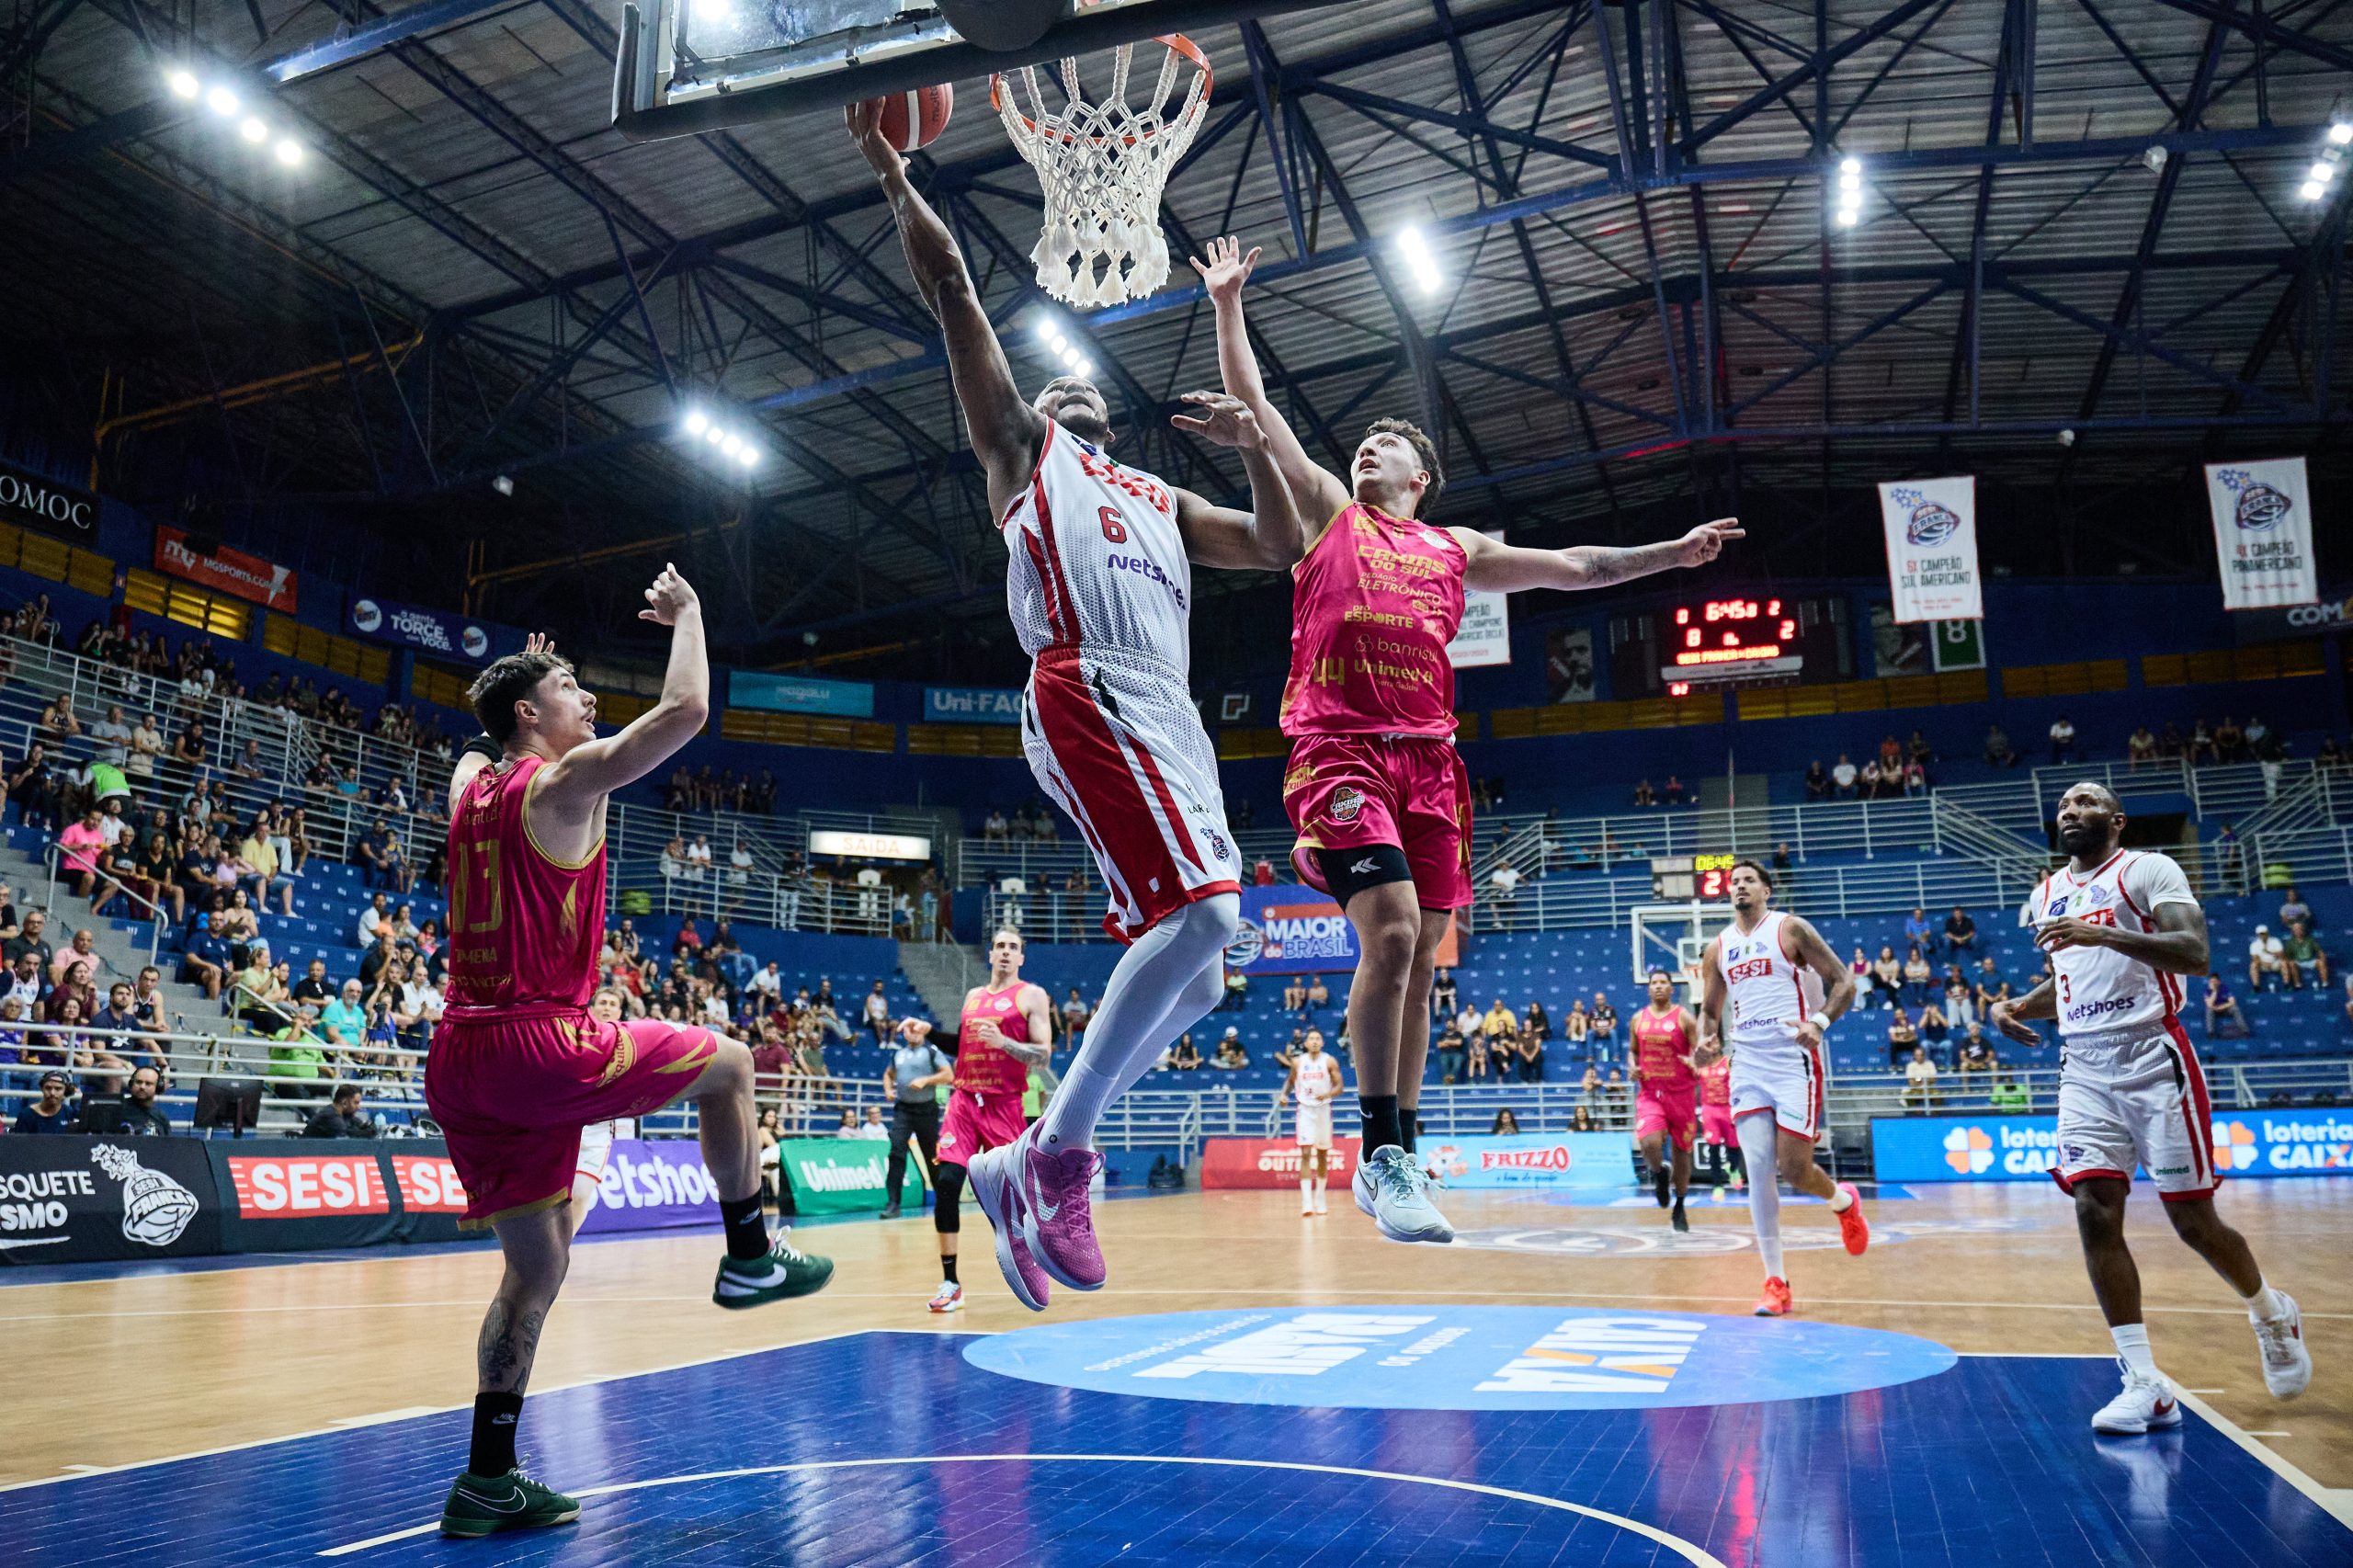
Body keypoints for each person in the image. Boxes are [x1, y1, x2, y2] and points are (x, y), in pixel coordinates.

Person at [1192, 231, 1738, 1246]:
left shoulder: (1456, 546)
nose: (1366, 450)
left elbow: (1578, 566)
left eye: (1385, 444)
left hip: (1431, 765)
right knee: (1394, 931)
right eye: (1360, 443)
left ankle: (1397, 1153)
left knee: (1419, 962)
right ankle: (1378, 1149)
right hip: (1340, 749)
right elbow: (1258, 410)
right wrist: (1229, 306)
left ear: (1424, 474)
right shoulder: (1329, 514)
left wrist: (1674, 552)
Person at [854, 106, 1279, 1312]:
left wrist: (1254, 439)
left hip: (1172, 715)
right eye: (1055, 385)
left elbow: (1279, 540)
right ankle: (1058, 1154)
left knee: (1207, 972)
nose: (1069, 386)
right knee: (1207, 914)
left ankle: (1025, 1159)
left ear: (1117, 419)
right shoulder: (1023, 451)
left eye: (1086, 385)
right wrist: (892, 172)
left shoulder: (1157, 496)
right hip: (1086, 678)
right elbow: (951, 288)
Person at [422, 600, 832, 1542]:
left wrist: (522, 677)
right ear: (530, 715)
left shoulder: (469, 784)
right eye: (570, 687)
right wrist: (690, 615)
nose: (589, 697)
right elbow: (685, 710)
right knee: (732, 1063)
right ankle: (749, 1256)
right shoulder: (561, 783)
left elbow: (476, 748)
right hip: (537, 1041)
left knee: (535, 1267)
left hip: (460, 1054)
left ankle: (487, 1478)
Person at [1988, 782, 2312, 1434]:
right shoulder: (2047, 893)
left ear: (2117, 820)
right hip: (2083, 1063)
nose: (2070, 811)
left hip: (2152, 1054)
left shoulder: (2147, 870)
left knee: (2193, 1222)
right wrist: (2019, 1005)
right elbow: (2072, 981)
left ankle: (2270, 1311)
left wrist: (2101, 933)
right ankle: (2145, 1383)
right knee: (2093, 1208)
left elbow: (2195, 953)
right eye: (2064, 805)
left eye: (2086, 803)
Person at [1697, 859, 1869, 1318]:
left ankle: (1843, 1202)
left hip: (1794, 1059)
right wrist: (1706, 1039)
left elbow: (1844, 980)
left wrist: (1820, 1022)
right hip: (1748, 1063)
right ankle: (1776, 1282)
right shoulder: (1718, 948)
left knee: (1795, 1170)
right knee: (1757, 1167)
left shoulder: (1790, 929)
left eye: (1749, 880)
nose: (1739, 887)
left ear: (1766, 890)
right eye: (1734, 882)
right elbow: (1710, 1011)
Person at [928, 929, 1052, 1313]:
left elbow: (1043, 1055)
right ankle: (951, 1283)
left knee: (1010, 1196)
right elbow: (962, 1045)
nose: (1006, 952)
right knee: (946, 1183)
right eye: (1000, 946)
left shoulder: (1032, 995)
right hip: (965, 1101)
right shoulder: (973, 997)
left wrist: (1004, 1043)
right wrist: (928, 1032)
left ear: (1021, 958)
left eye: (1013, 947)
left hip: (1004, 1104)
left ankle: (1030, 1258)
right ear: (990, 954)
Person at [1629, 970, 1699, 1232]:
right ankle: (1659, 1173)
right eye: (1654, 983)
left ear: (1671, 988)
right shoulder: (1638, 1019)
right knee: (1648, 1142)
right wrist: (1632, 1066)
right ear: (1648, 989)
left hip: (1681, 1095)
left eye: (1663, 982)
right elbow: (1632, 1052)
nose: (1658, 986)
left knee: (1682, 1153)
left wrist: (1695, 1061)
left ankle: (1680, 1205)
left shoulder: (1684, 1018)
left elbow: (1700, 1050)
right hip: (1651, 1094)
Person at [881, 1017, 953, 1221]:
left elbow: (948, 1075)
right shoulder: (899, 1055)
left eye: (915, 1030)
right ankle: (893, 1203)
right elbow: (888, 1074)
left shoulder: (931, 1052)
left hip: (926, 1110)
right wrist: (888, 1089)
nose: (912, 1033)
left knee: (931, 1155)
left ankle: (942, 1200)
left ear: (922, 1032)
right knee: (896, 1152)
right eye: (908, 1030)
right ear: (904, 1033)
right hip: (903, 1110)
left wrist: (926, 1080)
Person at [1286, 1027, 1343, 1216]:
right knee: (1305, 1153)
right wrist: (1284, 1095)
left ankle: (1320, 1198)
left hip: (1323, 1110)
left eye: (1318, 1038)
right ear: (1306, 1043)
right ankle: (1306, 1202)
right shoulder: (1298, 1062)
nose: (1315, 1041)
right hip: (1305, 1110)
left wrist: (1327, 1094)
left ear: (1323, 1042)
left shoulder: (1329, 1061)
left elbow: (1339, 1086)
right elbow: (1290, 1081)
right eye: (1311, 1038)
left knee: (1322, 1155)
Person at [1696, 1051, 1742, 1190]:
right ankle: (1717, 1185)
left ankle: (1733, 1169)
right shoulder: (1700, 1064)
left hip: (1727, 1108)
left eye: (1715, 1042)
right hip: (1709, 1110)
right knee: (1713, 1146)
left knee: (1734, 1145)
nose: (1712, 1046)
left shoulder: (1727, 1062)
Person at [303, 1084, 378, 1139]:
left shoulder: (346, 1115)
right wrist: (364, 1133)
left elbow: (357, 1125)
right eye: (356, 1103)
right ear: (344, 1103)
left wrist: (366, 1128)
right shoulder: (330, 1116)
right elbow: (346, 1139)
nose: (359, 1107)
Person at [117, 1064, 171, 1136]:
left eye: (148, 1084)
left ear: (158, 1088)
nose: (142, 1087)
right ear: (131, 1084)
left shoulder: (161, 1118)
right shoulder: (117, 1109)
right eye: (138, 1082)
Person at [14, 1069, 74, 1133]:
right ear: (42, 1089)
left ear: (65, 1091)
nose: (52, 1093)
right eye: (48, 1088)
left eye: (58, 1089)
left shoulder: (67, 1112)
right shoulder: (27, 1115)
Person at [2247, 925, 2290, 992]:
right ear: (2257, 935)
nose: (2262, 936)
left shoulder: (2275, 941)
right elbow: (2254, 958)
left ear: (2267, 933)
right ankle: (2256, 986)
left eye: (2263, 934)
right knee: (2253, 965)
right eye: (2260, 934)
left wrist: (2270, 952)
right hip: (2262, 964)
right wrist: (2264, 963)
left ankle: (2286, 984)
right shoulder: (2254, 944)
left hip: (2275, 963)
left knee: (2283, 963)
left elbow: (2281, 955)